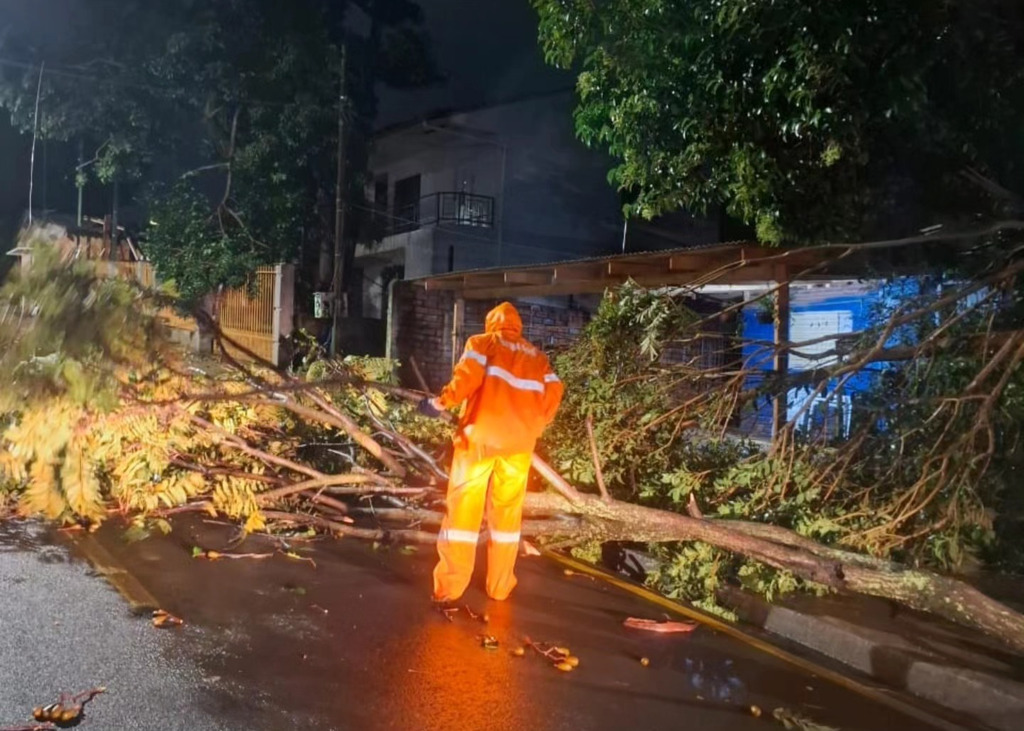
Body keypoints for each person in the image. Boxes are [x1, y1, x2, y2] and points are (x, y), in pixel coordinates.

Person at [419, 302, 563, 603]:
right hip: (518, 447)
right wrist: (535, 425)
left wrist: (438, 404)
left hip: (479, 441)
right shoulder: (537, 358)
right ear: (518, 327)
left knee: (463, 513)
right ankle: (499, 587)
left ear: (491, 324)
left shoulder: (482, 343)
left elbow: (465, 380)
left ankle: (449, 588)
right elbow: (555, 391)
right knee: (507, 518)